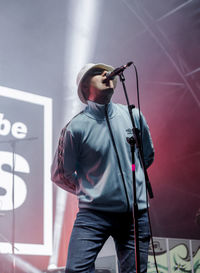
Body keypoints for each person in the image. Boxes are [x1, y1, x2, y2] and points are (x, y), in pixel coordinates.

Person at [51, 63, 155, 273]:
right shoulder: (75, 127)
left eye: (106, 71)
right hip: (94, 215)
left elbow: (147, 155)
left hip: (135, 214)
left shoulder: (133, 115)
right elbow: (60, 174)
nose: (105, 74)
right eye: (96, 72)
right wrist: (91, 190)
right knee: (76, 270)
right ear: (84, 87)